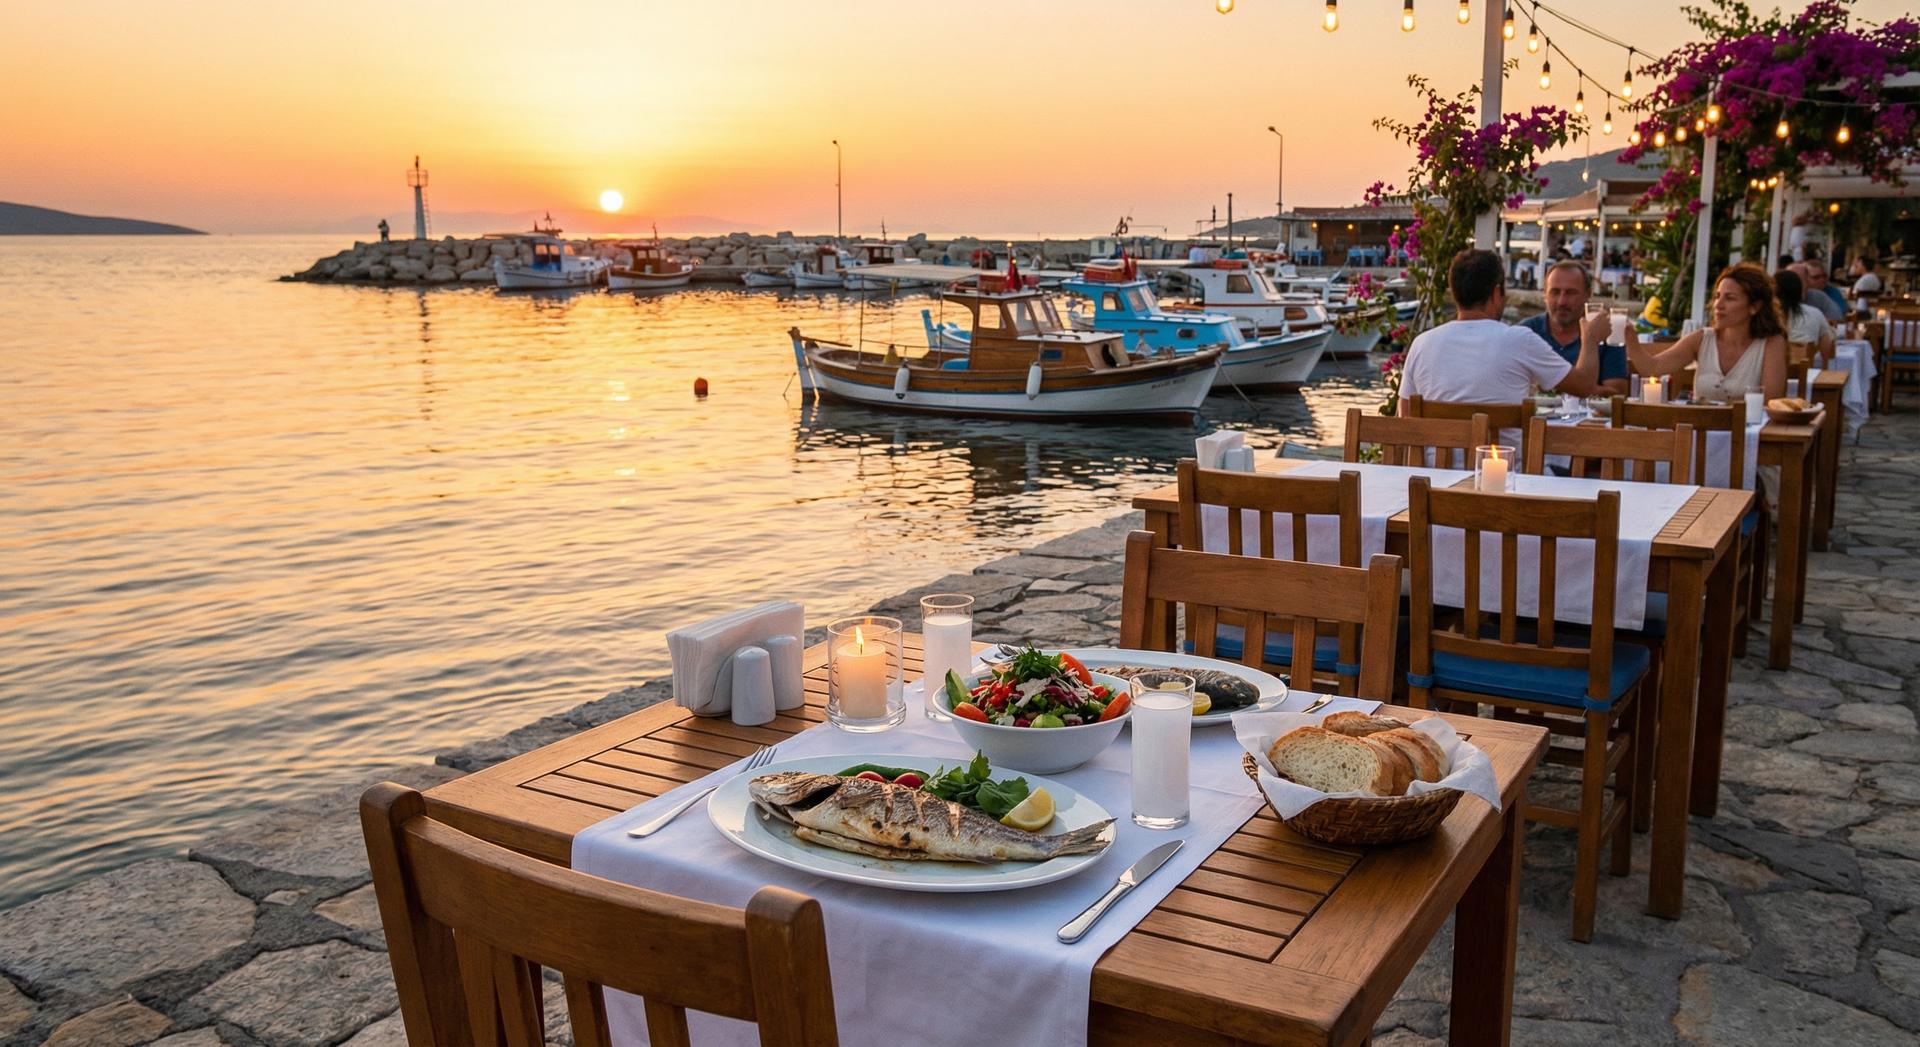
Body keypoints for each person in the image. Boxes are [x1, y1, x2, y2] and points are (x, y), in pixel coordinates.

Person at [1397, 248, 1605, 413]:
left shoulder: (1422, 344)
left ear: (1456, 294)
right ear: (1496, 293)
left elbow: (1404, 419)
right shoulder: (1519, 339)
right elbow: (1584, 387)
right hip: (1504, 465)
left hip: (1433, 468)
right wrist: (1590, 338)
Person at [1628, 263, 1787, 402]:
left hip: (1748, 433)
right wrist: (1630, 338)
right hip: (1699, 431)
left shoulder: (1771, 343)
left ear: (1755, 306)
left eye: (1730, 298)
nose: (1718, 305)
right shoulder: (1703, 338)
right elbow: (1653, 368)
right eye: (1717, 296)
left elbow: (1770, 399)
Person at [1519, 260, 1630, 395]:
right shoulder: (1526, 332)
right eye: (1555, 292)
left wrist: (1558, 386)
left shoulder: (1607, 332)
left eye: (1571, 293)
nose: (1562, 301)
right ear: (1545, 295)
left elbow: (1618, 392)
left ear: (1588, 295)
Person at [1775, 269, 1835, 365]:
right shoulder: (1815, 313)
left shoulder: (1766, 316)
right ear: (1799, 291)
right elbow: (1826, 351)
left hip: (1772, 373)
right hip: (1805, 374)